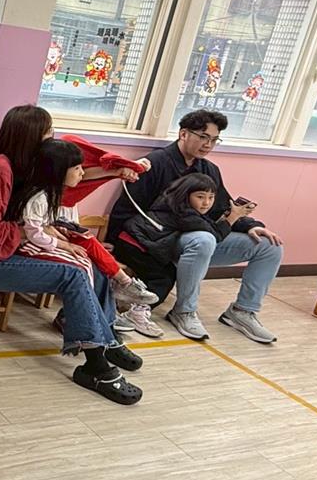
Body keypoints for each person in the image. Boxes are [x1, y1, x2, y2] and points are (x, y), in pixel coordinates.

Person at [0, 105, 144, 405]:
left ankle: (108, 338)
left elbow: (72, 177)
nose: (52, 137)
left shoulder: (25, 165)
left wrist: (114, 171)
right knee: (72, 274)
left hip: (14, 249)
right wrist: (33, 232)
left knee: (91, 261)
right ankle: (96, 364)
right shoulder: (2, 167)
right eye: (48, 132)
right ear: (29, 135)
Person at [107, 109, 284, 343]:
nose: (208, 144)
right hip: (160, 242)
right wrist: (111, 243)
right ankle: (184, 311)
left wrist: (250, 225)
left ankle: (243, 311)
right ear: (183, 134)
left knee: (269, 246)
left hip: (201, 241)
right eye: (203, 137)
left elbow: (223, 207)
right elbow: (127, 207)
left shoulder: (209, 170)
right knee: (204, 239)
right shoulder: (156, 162)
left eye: (214, 140)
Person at [13, 138, 158, 309]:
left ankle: (122, 287)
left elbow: (44, 226)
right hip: (29, 244)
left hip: (44, 237)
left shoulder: (51, 194)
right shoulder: (39, 198)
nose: (82, 173)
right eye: (77, 168)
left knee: (87, 242)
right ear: (59, 171)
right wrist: (65, 245)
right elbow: (34, 233)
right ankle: (101, 302)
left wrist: (58, 234)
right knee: (85, 263)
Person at [119, 174, 237, 293]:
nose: (206, 203)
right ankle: (138, 302)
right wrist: (233, 217)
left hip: (131, 240)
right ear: (186, 195)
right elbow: (215, 235)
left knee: (166, 274)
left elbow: (208, 226)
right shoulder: (185, 214)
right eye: (200, 197)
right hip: (135, 244)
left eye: (211, 197)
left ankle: (136, 299)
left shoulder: (173, 203)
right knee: (163, 279)